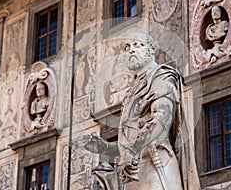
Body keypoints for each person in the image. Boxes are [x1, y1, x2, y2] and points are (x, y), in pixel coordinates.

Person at [83, 32, 200, 190]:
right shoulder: (132, 92)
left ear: (151, 50)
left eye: (138, 45)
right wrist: (104, 147)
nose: (131, 50)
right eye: (127, 47)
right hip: (134, 172)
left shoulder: (162, 77)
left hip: (157, 165)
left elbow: (162, 119)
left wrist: (132, 149)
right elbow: (128, 141)